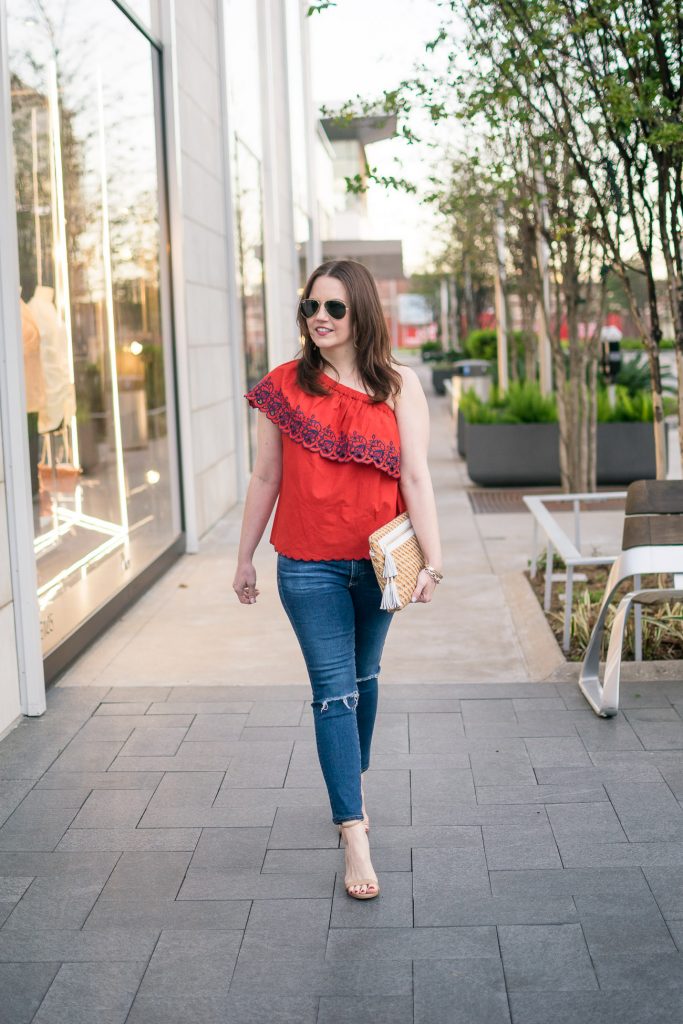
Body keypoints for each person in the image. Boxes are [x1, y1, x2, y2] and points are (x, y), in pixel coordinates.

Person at [232, 259, 442, 899]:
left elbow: (416, 478)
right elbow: (265, 478)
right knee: (334, 692)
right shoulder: (283, 387)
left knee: (365, 678)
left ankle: (351, 776)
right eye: (310, 307)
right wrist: (243, 558)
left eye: (334, 308)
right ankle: (354, 831)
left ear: (361, 314)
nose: (319, 317)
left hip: (380, 563)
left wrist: (434, 558)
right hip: (307, 565)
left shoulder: (400, 387)